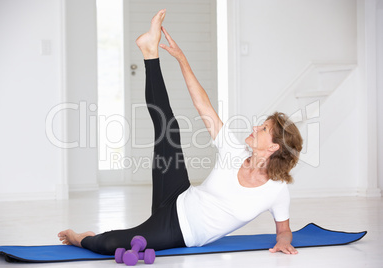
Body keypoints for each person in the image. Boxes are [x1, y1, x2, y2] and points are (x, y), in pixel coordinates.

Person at [58, 9, 303, 255]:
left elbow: (283, 229)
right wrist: (181, 58)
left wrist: (283, 240)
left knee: (108, 245)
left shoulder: (277, 191)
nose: (254, 127)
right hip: (178, 193)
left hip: (179, 231)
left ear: (274, 147)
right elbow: (202, 104)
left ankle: (82, 238)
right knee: (168, 128)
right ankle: (149, 51)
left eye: (263, 129)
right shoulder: (234, 150)